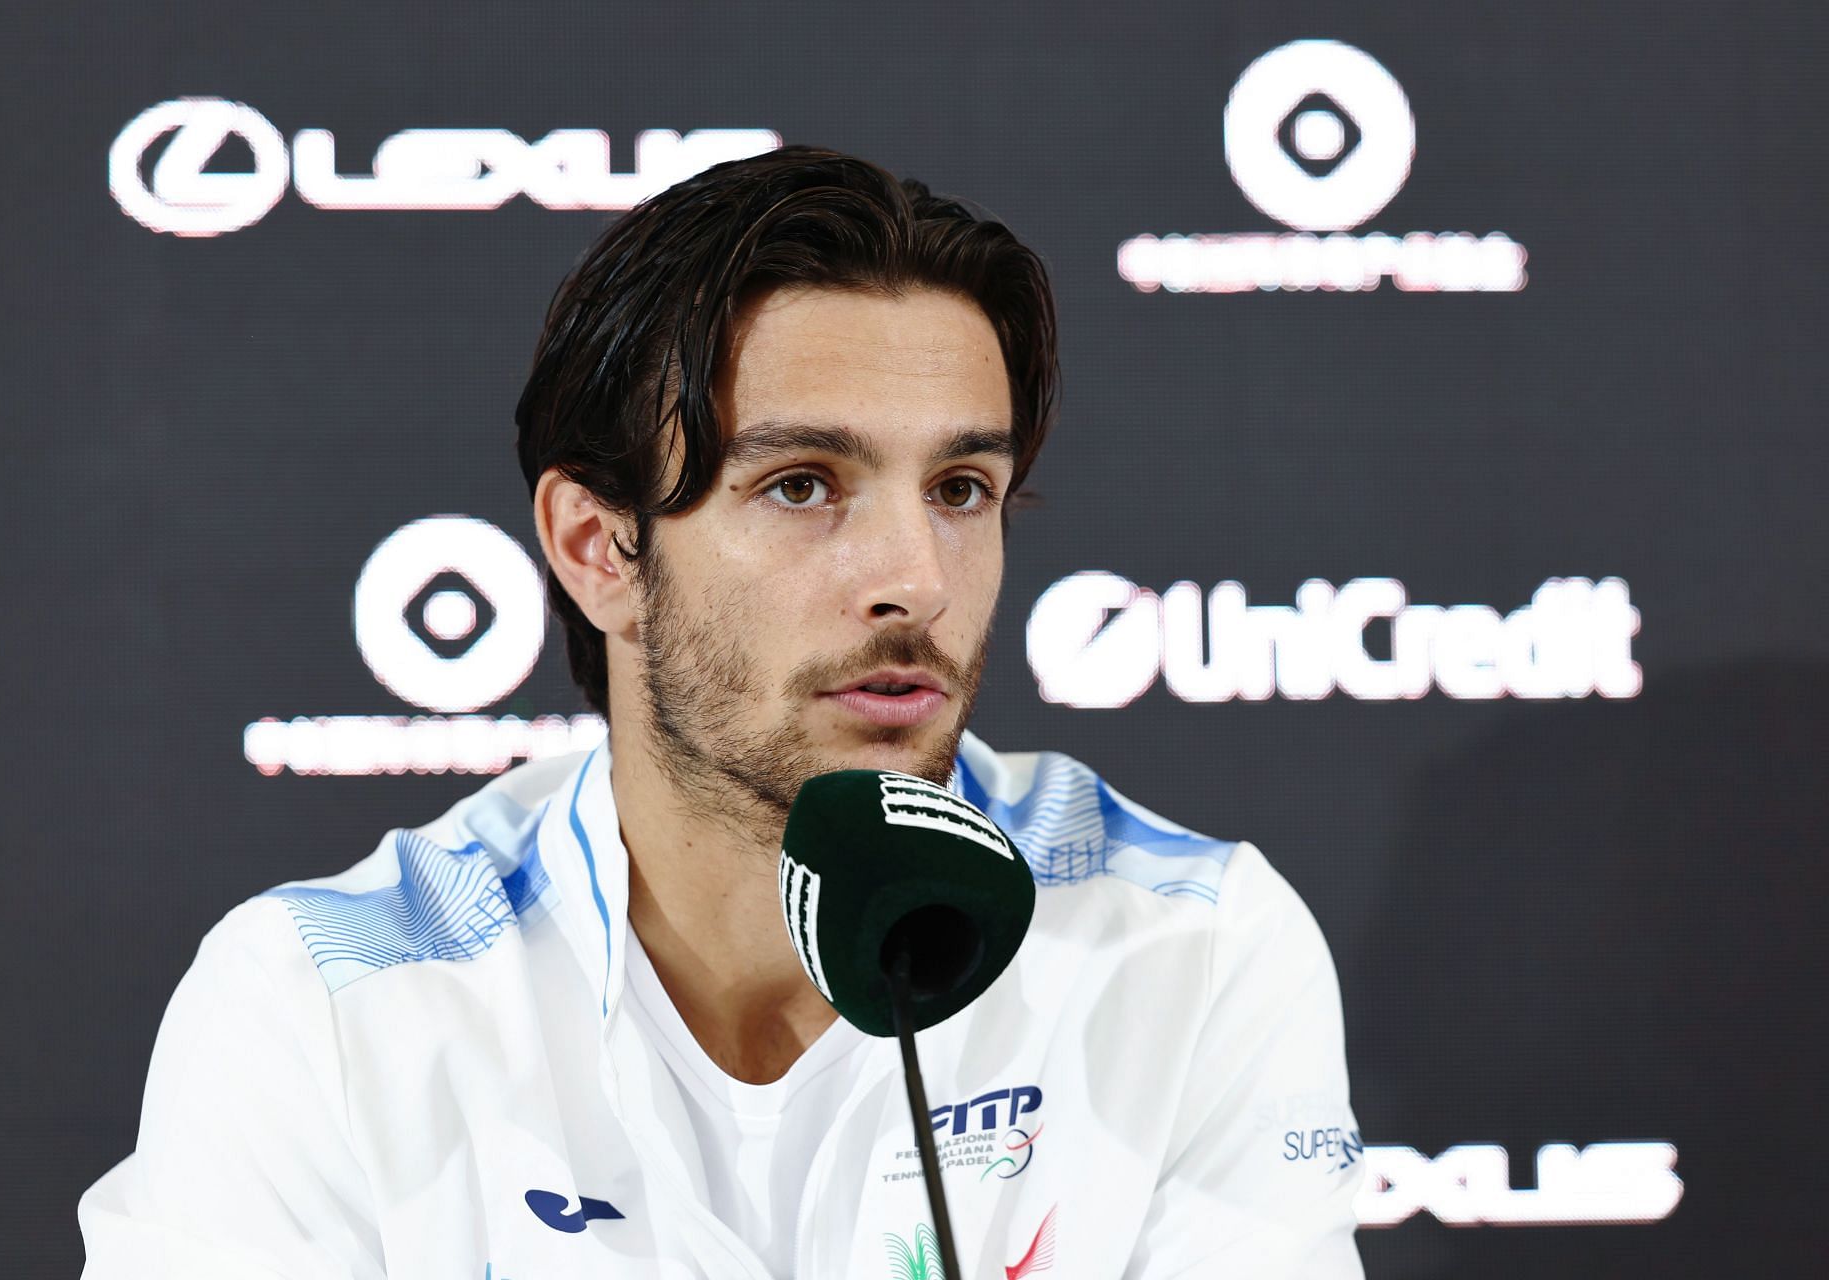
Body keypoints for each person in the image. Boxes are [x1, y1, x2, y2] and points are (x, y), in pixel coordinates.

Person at [79, 147, 1364, 1279]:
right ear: (599, 547)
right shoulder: (329, 1008)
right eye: (805, 484)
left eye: (964, 487)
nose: (914, 577)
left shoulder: (1188, 950)